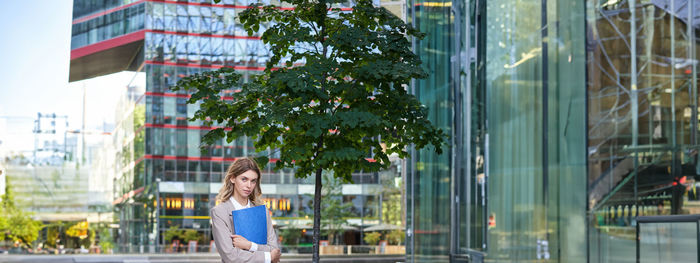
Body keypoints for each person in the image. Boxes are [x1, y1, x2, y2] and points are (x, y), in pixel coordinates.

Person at [210, 157, 281, 263]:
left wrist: (249, 245)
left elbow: (274, 250)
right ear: (232, 178)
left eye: (253, 181)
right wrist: (268, 257)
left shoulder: (262, 212)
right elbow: (231, 256)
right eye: (244, 179)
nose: (249, 186)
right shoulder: (220, 212)